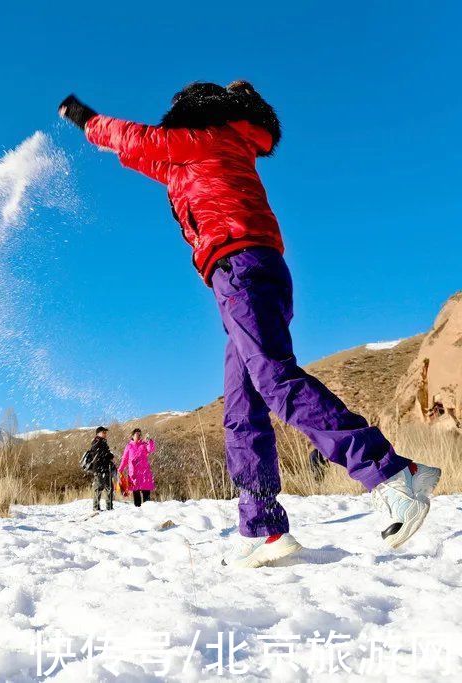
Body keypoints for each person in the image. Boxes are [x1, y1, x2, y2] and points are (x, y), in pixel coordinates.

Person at [59, 82, 441, 567]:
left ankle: (388, 474)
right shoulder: (199, 154)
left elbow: (139, 141)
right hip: (243, 273)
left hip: (241, 266)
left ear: (193, 114)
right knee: (242, 407)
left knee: (274, 379)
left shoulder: (206, 137)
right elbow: (143, 157)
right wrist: (107, 142)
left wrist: (88, 121)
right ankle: (262, 527)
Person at [119, 428, 156, 507]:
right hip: (134, 474)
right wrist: (120, 469)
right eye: (137, 434)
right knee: (136, 495)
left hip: (144, 473)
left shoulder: (144, 444)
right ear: (132, 436)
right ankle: (138, 512)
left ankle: (148, 512)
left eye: (140, 434)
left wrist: (149, 441)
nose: (139, 436)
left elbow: (151, 449)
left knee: (146, 494)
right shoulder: (129, 446)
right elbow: (125, 459)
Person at [84, 426, 116, 512]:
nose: (105, 434)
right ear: (98, 433)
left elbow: (104, 453)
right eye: (104, 432)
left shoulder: (103, 442)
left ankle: (109, 507)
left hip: (105, 468)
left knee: (109, 488)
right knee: (98, 488)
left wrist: (109, 455)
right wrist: (107, 455)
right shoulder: (96, 441)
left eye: (106, 432)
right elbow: (97, 454)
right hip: (99, 469)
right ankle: (96, 508)